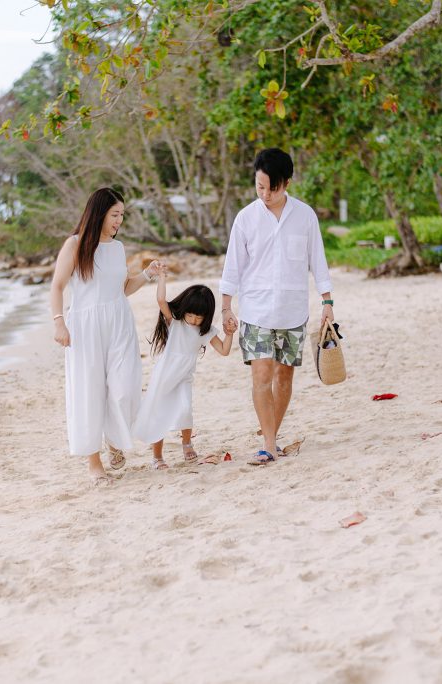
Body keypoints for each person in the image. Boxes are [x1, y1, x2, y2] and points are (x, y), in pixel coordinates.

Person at [219, 148, 333, 466]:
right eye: (260, 186)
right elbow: (233, 267)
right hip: (256, 310)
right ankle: (268, 443)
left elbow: (318, 262)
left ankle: (271, 437)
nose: (265, 194)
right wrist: (226, 307)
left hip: (293, 310)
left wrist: (328, 303)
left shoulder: (305, 216)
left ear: (287, 183)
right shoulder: (246, 218)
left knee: (284, 378)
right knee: (261, 376)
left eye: (272, 187)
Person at [50, 187, 162, 487]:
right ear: (99, 213)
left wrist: (148, 274)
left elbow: (122, 288)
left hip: (119, 322)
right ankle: (94, 463)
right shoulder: (74, 245)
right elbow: (58, 286)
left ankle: (115, 439)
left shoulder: (118, 247)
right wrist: (59, 322)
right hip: (84, 326)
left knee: (125, 386)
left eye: (122, 216)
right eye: (115, 215)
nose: (119, 221)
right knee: (89, 392)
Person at [133, 266, 234, 470]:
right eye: (191, 315)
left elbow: (224, 350)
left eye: (199, 317)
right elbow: (161, 300)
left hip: (184, 375)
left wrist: (229, 333)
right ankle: (157, 457)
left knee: (186, 409)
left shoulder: (205, 331)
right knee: (158, 414)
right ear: (184, 310)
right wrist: (162, 276)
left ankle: (187, 444)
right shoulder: (175, 322)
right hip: (164, 375)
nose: (194, 320)